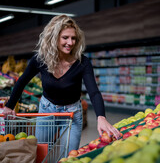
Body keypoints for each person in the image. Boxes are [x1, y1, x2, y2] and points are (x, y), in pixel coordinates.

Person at [2, 14, 121, 152]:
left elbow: (93, 92)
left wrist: (101, 117)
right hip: (47, 111)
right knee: (42, 156)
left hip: (72, 114)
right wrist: (10, 106)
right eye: (65, 37)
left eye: (73, 38)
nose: (70, 42)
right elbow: (22, 81)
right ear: (54, 37)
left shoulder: (83, 63)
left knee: (69, 157)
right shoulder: (40, 59)